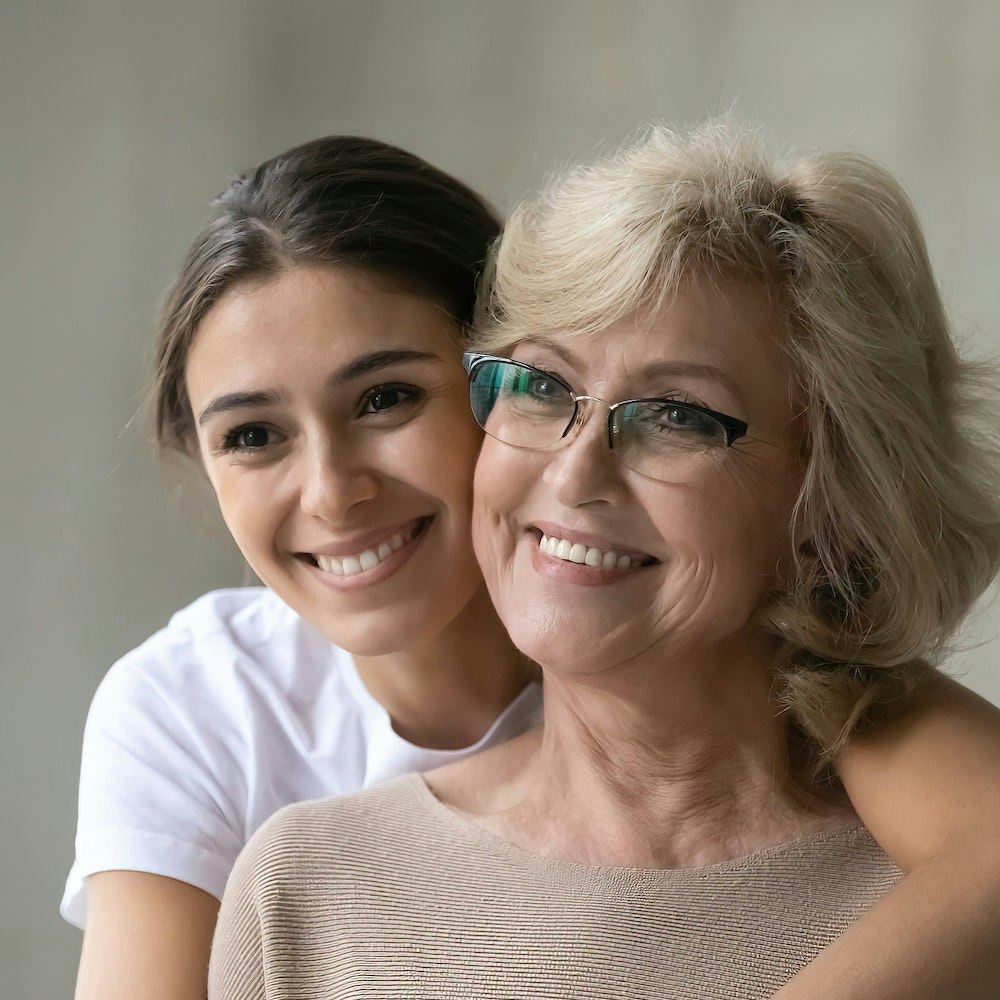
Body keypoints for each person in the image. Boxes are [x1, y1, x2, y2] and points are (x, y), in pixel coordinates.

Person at [70, 133, 1000, 1000]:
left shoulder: (919, 832)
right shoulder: (272, 832)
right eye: (544, 387)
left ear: (829, 503)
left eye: (677, 413)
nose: (331, 492)